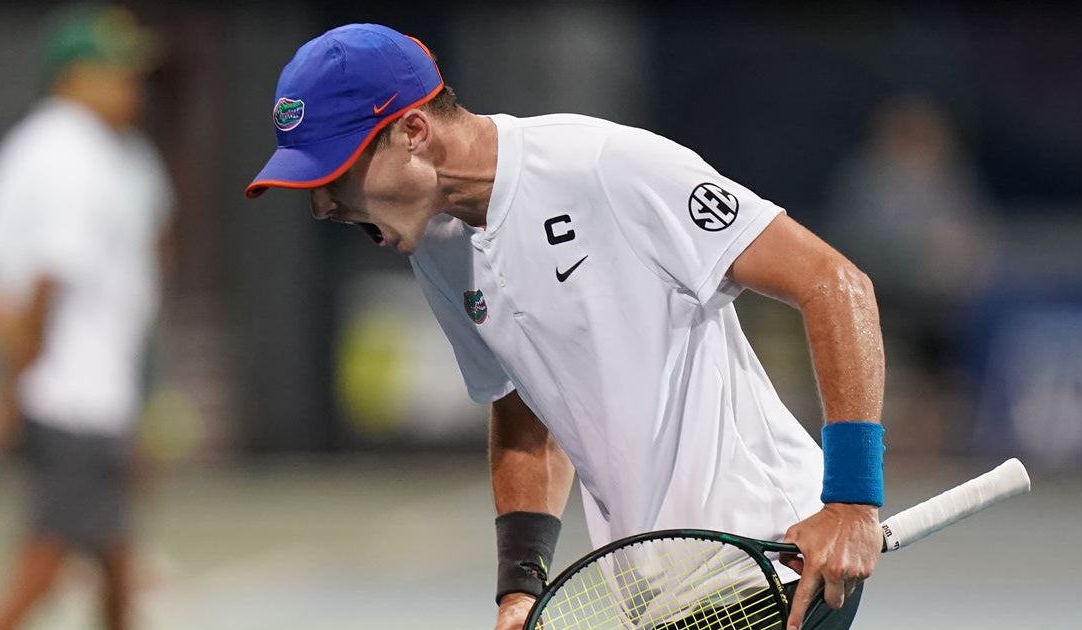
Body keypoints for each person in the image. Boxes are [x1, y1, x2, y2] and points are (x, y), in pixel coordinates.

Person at [246, 24, 886, 630]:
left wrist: (853, 503)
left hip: (763, 562)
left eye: (335, 174)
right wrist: (522, 587)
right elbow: (524, 405)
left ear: (413, 131)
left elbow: (834, 284)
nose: (322, 203)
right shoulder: (435, 244)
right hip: (655, 593)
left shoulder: (608, 167)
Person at [0, 5, 173, 630]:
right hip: (71, 394)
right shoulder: (69, 153)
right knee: (47, 562)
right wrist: (15, 382)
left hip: (89, 388)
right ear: (73, 75)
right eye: (117, 70)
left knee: (115, 560)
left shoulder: (71, 147)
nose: (132, 85)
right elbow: (46, 279)